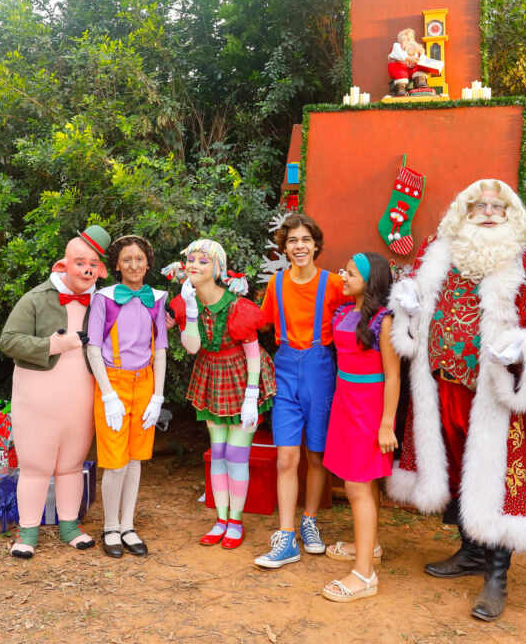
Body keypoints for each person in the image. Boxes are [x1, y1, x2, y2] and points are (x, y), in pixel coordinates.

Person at [386, 179, 526, 621]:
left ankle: (496, 576)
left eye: (497, 208)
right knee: (458, 469)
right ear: (462, 212)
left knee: (494, 477)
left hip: (490, 395)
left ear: (511, 215)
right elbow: (416, 312)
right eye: (477, 205)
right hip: (439, 384)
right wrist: (405, 306)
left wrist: (520, 350)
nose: (487, 212)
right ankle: (470, 551)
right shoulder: (437, 254)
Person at [0, 225, 111, 558]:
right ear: (62, 265)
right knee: (35, 466)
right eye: (80, 262)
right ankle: (28, 531)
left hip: (79, 401)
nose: (87, 270)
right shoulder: (34, 299)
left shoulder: (102, 303)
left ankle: (70, 526)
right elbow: (9, 340)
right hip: (37, 402)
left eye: (93, 264)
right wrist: (51, 344)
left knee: (72, 466)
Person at [166, 239, 277, 550]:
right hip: (211, 374)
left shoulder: (237, 306)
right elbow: (192, 347)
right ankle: (220, 518)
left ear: (217, 269)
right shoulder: (187, 302)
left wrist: (252, 395)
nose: (194, 265)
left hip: (242, 376)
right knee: (218, 452)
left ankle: (236, 521)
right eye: (190, 259)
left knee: (236, 454)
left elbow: (253, 351)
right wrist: (189, 309)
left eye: (203, 261)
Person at [254, 213, 347, 569]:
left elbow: (360, 313)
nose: (299, 246)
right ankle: (286, 534)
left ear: (316, 245)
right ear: (285, 247)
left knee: (316, 455)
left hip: (321, 370)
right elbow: (260, 323)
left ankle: (309, 519)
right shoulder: (277, 285)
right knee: (286, 457)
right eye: (292, 241)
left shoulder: (335, 283)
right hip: (287, 371)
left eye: (305, 240)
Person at [320, 252, 401, 602]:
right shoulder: (343, 311)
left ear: (371, 280)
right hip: (345, 401)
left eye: (351, 272)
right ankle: (371, 546)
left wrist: (386, 423)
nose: (344, 276)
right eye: (344, 270)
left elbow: (393, 376)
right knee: (362, 482)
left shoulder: (383, 321)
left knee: (357, 485)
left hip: (369, 408)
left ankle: (364, 575)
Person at [86, 235, 169, 558]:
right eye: (127, 260)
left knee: (135, 459)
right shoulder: (103, 299)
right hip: (114, 383)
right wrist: (108, 395)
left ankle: (127, 524)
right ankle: (110, 526)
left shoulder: (158, 298)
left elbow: (160, 350)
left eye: (139, 259)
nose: (134, 265)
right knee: (115, 461)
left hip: (145, 382)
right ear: (117, 266)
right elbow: (93, 348)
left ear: (148, 263)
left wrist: (158, 397)